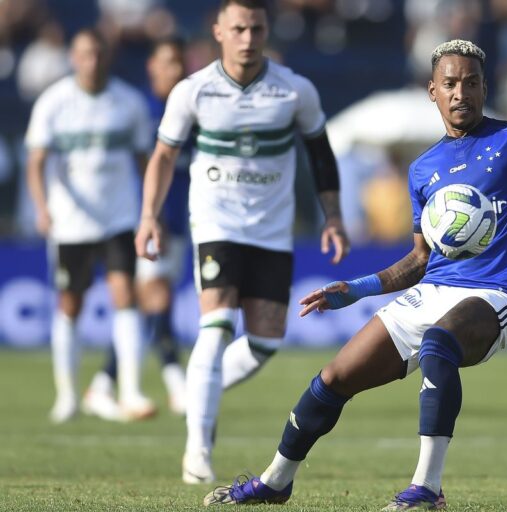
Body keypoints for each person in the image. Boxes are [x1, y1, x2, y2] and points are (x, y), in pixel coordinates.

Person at [201, 39, 507, 508]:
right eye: (450, 84)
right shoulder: (423, 169)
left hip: (496, 295)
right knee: (332, 378)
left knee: (439, 343)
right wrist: (357, 289)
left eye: (470, 82)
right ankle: (275, 482)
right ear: (433, 92)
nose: (460, 92)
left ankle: (427, 488)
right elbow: (419, 259)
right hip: (433, 290)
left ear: (485, 88)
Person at [134, 0, 350, 484]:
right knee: (216, 326)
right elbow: (164, 156)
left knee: (266, 341)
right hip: (215, 224)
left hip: (272, 230)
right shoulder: (194, 91)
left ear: (265, 29)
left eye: (255, 28)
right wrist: (148, 215)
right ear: (218, 31)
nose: (248, 38)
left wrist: (333, 216)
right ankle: (198, 449)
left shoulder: (294, 90)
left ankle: (198, 389)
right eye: (238, 28)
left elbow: (321, 154)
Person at [25, 28, 155, 424]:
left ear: (107, 56)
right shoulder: (54, 102)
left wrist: (150, 211)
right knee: (70, 304)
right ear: (72, 57)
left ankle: (130, 389)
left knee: (125, 296)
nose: (92, 61)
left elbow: (144, 160)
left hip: (118, 217)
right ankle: (67, 395)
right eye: (84, 54)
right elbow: (36, 161)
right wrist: (42, 208)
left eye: (98, 54)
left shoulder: (128, 103)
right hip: (70, 222)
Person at [84, 38, 191, 422]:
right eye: (168, 62)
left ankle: (101, 383)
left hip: (181, 221)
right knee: (155, 295)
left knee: (152, 304)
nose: (175, 71)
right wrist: (146, 214)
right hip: (146, 222)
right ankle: (176, 381)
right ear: (151, 67)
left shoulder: (191, 109)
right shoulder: (138, 110)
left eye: (179, 62)